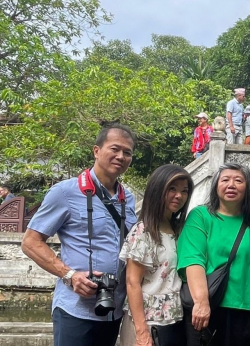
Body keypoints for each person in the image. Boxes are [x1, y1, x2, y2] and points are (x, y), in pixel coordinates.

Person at [22, 123, 138, 346]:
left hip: (113, 308)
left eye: (127, 152)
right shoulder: (65, 192)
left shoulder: (128, 198)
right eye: (115, 149)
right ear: (96, 151)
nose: (121, 156)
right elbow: (30, 242)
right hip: (75, 309)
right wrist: (70, 275)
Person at [177, 164, 250, 346]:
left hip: (241, 312)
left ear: (248, 188)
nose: (231, 185)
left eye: (238, 180)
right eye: (225, 180)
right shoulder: (201, 216)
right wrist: (201, 303)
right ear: (216, 185)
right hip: (204, 306)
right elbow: (193, 260)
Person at [119, 164, 192, 346]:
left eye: (184, 191)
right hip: (146, 321)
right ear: (158, 189)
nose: (179, 195)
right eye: (172, 189)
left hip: (173, 320)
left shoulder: (179, 229)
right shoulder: (144, 231)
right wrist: (142, 332)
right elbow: (132, 282)